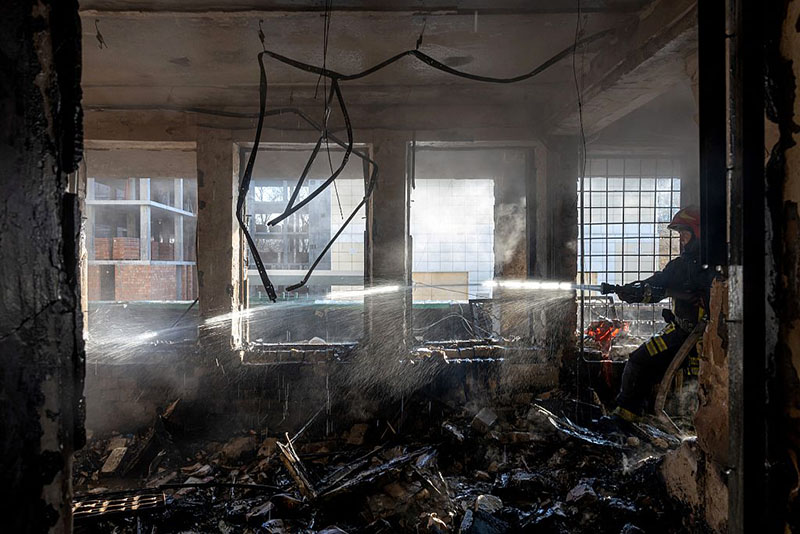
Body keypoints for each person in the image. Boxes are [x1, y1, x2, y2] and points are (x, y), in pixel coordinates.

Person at [607, 206, 713, 422]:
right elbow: (658, 284)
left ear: (699, 234)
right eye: (680, 234)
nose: (682, 239)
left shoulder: (714, 270)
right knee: (638, 360)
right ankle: (626, 416)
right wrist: (632, 291)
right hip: (680, 331)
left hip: (701, 338)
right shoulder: (680, 266)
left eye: (685, 233)